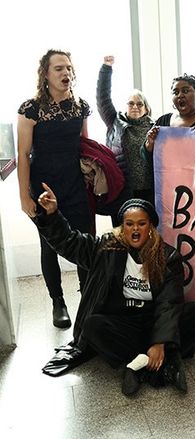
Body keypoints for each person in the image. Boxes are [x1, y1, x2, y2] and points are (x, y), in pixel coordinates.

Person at [33, 187, 195, 396]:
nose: (135, 229)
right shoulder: (105, 247)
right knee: (93, 325)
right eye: (129, 224)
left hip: (153, 319)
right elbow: (70, 243)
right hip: (123, 321)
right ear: (123, 227)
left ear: (150, 227)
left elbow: (169, 303)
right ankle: (161, 363)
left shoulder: (168, 257)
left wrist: (160, 341)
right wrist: (52, 215)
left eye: (141, 224)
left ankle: (139, 364)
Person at [17, 49, 95, 329]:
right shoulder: (31, 108)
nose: (66, 73)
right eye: (59, 68)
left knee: (85, 242)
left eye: (69, 68)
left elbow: (85, 146)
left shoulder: (81, 106)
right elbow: (23, 154)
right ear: (46, 74)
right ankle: (58, 302)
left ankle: (88, 299)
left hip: (75, 185)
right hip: (44, 188)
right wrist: (24, 197)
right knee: (49, 246)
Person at [96, 55, 155, 212]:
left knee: (148, 226)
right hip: (122, 191)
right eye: (131, 103)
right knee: (122, 226)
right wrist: (106, 69)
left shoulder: (155, 128)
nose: (135, 107)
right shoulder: (115, 122)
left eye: (139, 104)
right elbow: (103, 99)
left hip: (149, 191)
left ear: (146, 109)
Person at [144, 73, 195, 152]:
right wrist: (149, 145)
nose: (180, 95)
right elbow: (147, 155)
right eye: (176, 93)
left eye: (185, 91)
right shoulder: (163, 121)